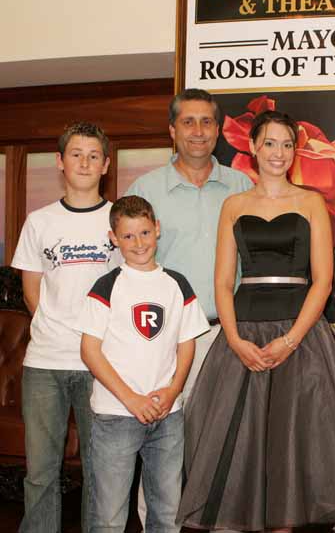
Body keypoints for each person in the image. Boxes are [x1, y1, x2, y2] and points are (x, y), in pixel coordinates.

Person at [177, 110, 335, 531]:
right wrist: (234, 340)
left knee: (292, 461)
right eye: (270, 143)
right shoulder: (233, 205)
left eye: (287, 144)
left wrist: (290, 341)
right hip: (245, 338)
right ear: (253, 147)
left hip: (302, 341)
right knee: (245, 463)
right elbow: (222, 281)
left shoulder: (311, 202)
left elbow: (323, 281)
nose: (279, 153)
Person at [126, 88, 252, 530]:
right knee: (160, 437)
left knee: (228, 439)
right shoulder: (146, 189)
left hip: (226, 333)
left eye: (206, 122)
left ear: (218, 131)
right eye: (188, 122)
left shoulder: (242, 186)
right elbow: (124, 269)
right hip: (163, 335)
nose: (198, 131)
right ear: (172, 130)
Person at [11, 122, 119, 532]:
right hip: (45, 364)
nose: (85, 162)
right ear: (60, 162)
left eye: (94, 155)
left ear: (106, 164)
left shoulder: (119, 219)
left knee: (99, 473)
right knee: (41, 472)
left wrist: (96, 343)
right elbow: (31, 292)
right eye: (76, 153)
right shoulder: (39, 222)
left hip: (102, 366)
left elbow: (127, 289)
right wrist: (60, 332)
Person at [77, 196, 209, 532]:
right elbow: (90, 351)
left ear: (158, 230)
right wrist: (131, 399)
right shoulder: (105, 287)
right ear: (113, 238)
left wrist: (173, 391)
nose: (139, 243)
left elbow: (186, 342)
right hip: (116, 415)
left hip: (167, 415)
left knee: (167, 512)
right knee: (108, 516)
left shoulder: (177, 284)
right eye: (128, 236)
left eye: (145, 233)